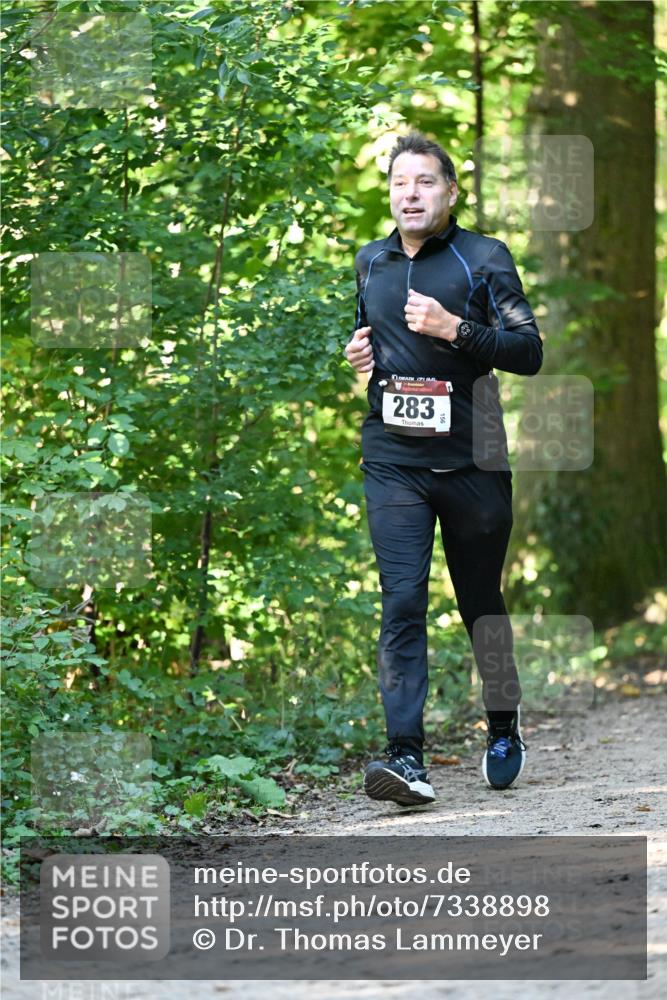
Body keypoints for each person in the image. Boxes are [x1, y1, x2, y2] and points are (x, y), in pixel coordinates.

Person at [344, 131, 543, 805]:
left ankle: (503, 725)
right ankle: (405, 759)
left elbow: (527, 352)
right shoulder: (369, 262)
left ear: (449, 192)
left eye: (425, 182)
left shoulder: (483, 257)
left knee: (479, 604)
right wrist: (358, 363)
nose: (410, 194)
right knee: (401, 601)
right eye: (400, 183)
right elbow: (370, 348)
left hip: (472, 460)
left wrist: (452, 327)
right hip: (392, 460)